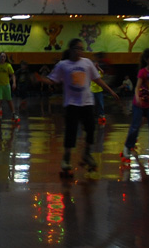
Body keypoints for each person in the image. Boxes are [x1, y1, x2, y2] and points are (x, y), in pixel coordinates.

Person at [45, 38, 118, 174]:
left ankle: (87, 154)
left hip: (87, 102)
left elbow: (97, 79)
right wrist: (39, 79)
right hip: (71, 103)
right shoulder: (63, 64)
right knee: (71, 131)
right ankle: (66, 158)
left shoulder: (87, 63)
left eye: (81, 48)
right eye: (77, 48)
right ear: (71, 49)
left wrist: (111, 91)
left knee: (90, 129)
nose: (80, 51)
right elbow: (52, 80)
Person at [122, 47, 149, 159]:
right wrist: (137, 97)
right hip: (139, 104)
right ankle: (127, 146)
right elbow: (137, 87)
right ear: (146, 60)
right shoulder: (143, 72)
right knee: (135, 126)